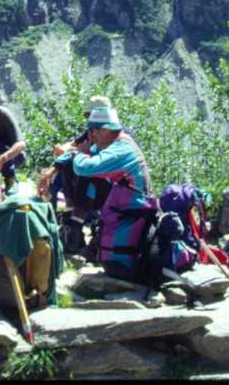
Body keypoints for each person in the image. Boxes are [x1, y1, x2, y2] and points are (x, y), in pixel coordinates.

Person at [47, 104, 153, 277]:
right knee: (84, 177)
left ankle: (75, 229)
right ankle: (79, 234)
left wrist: (82, 153)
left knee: (86, 176)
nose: (90, 136)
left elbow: (84, 166)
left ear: (104, 130)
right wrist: (54, 168)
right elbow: (76, 153)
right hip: (123, 204)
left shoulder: (121, 149)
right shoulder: (114, 142)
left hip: (132, 209)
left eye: (92, 131)